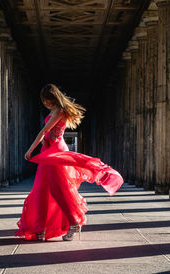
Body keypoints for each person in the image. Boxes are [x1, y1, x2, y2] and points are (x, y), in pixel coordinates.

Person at [15, 83, 124, 242]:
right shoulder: (54, 110)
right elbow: (48, 133)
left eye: (48, 100)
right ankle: (41, 228)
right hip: (47, 151)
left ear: (55, 98)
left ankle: (73, 222)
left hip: (56, 152)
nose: (46, 103)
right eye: (44, 101)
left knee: (58, 189)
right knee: (42, 189)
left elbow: (45, 131)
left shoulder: (59, 111)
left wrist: (30, 149)